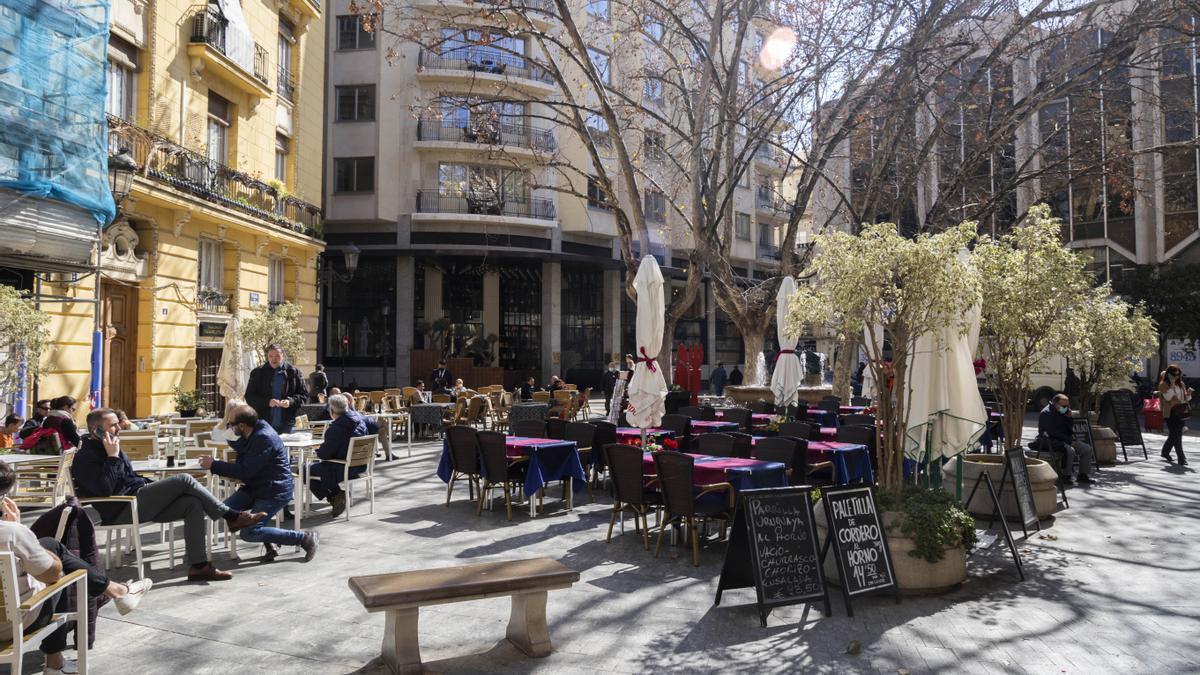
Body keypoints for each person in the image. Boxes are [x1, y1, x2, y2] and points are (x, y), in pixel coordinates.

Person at [71, 408, 267, 581]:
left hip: (139, 500)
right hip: (123, 509)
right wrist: (113, 457)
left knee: (192, 504)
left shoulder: (111, 444)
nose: (119, 428)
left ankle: (199, 566)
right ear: (95, 430)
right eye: (113, 426)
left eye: (118, 424)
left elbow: (129, 477)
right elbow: (104, 490)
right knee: (184, 479)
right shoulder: (85, 457)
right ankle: (231, 516)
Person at [0, 461, 152, 675]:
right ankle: (56, 663)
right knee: (59, 574)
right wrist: (18, 527)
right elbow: (52, 574)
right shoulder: (12, 534)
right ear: (4, 499)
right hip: (11, 625)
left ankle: (118, 591)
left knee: (50, 546)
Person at [200, 405, 318, 562]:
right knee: (223, 509)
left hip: (273, 491)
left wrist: (214, 465)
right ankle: (272, 542)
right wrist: (227, 431)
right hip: (256, 487)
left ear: (242, 425)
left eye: (231, 424)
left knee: (249, 533)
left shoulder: (263, 437)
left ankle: (303, 538)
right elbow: (242, 446)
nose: (229, 425)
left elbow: (244, 471)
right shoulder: (252, 431)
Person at [307, 395, 375, 518]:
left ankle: (335, 496)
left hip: (343, 467)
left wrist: (318, 450)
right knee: (320, 468)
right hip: (360, 466)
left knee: (305, 470)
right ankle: (336, 497)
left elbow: (324, 455)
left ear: (332, 411)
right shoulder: (360, 421)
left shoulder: (336, 428)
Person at [245, 344, 307, 434]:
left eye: (277, 356)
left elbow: (304, 396)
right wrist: (268, 402)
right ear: (267, 356)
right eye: (271, 356)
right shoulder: (257, 373)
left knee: (285, 447)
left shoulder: (294, 372)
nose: (274, 359)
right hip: (263, 423)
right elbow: (249, 397)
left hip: (287, 423)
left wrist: (290, 402)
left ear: (283, 356)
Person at [1037, 394, 1096, 484]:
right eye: (1064, 406)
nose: (1066, 408)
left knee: (1087, 449)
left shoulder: (1063, 411)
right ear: (1055, 404)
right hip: (1051, 440)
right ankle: (1066, 476)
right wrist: (1069, 441)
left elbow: (1069, 428)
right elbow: (1053, 432)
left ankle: (1083, 475)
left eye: (1067, 405)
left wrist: (1069, 418)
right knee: (1070, 450)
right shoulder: (1047, 413)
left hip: (1065, 438)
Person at [1158, 364, 1193, 465]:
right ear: (1169, 375)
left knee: (1175, 435)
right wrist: (1172, 385)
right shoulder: (1163, 384)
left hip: (1181, 412)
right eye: (1174, 375)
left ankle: (1165, 452)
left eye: (1178, 375)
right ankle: (1181, 458)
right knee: (1177, 435)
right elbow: (1169, 398)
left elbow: (1185, 399)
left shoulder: (1181, 384)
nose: (1176, 377)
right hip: (1170, 413)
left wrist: (1189, 394)